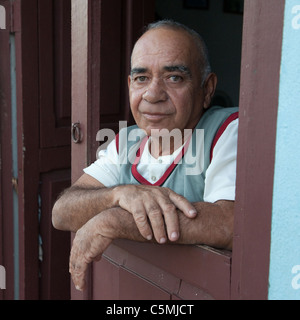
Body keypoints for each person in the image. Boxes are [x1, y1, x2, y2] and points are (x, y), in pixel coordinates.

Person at [52, 20, 239, 291]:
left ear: (207, 88)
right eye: (141, 78)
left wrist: (115, 220)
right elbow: (62, 211)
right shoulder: (127, 140)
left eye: (174, 77)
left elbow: (230, 223)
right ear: (130, 85)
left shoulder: (228, 130)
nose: (152, 94)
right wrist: (117, 195)